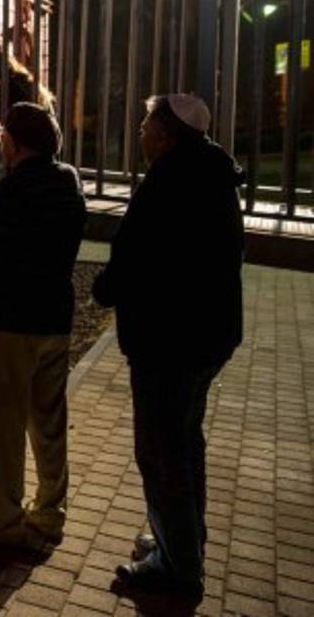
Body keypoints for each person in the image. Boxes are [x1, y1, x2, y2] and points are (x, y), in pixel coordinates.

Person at [92, 94, 245, 599]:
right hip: (207, 338)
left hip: (169, 344)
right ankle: (182, 541)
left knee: (160, 454)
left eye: (144, 123)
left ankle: (176, 569)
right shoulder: (214, 175)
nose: (139, 131)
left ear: (165, 131)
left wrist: (104, 290)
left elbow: (137, 257)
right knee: (185, 444)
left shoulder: (168, 181)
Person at [0, 102, 87, 551]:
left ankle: (4, 518)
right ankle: (48, 514)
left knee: (3, 423)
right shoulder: (70, 183)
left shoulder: (7, 195)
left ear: (12, 143)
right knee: (49, 423)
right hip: (54, 320)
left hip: (9, 324)